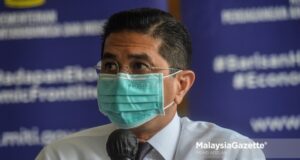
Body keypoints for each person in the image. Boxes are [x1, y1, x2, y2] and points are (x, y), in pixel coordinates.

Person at [36, 8, 265, 160]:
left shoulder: (232, 153)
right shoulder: (62, 155)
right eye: (110, 66)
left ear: (181, 85)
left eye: (139, 66)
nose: (120, 80)